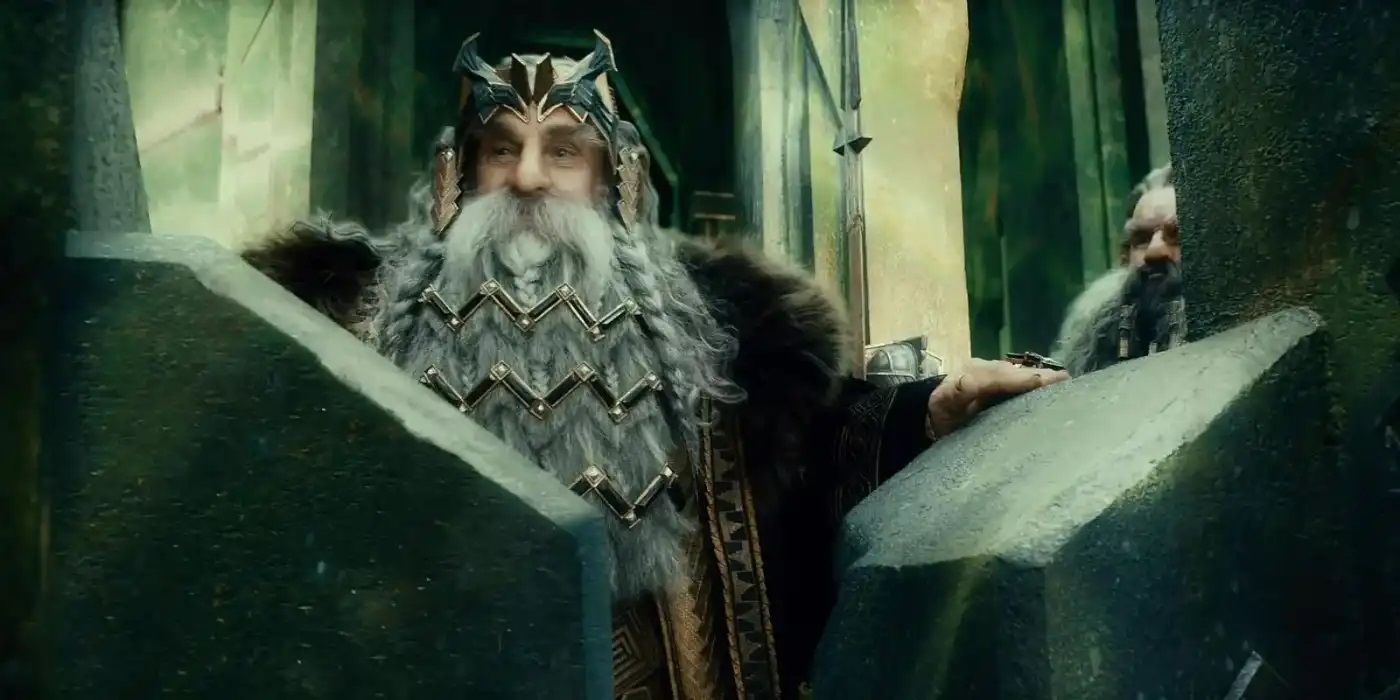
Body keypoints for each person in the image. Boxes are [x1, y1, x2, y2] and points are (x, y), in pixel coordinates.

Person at [244, 32, 1067, 698]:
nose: (528, 179)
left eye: (563, 151)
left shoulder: (724, 344)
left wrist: (928, 413)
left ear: (617, 183)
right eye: (501, 149)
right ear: (455, 178)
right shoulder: (337, 339)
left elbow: (817, 463)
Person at [1052, 164, 1185, 376]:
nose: (1154, 250)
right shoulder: (1102, 333)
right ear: (1125, 257)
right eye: (1141, 239)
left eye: (1177, 234)